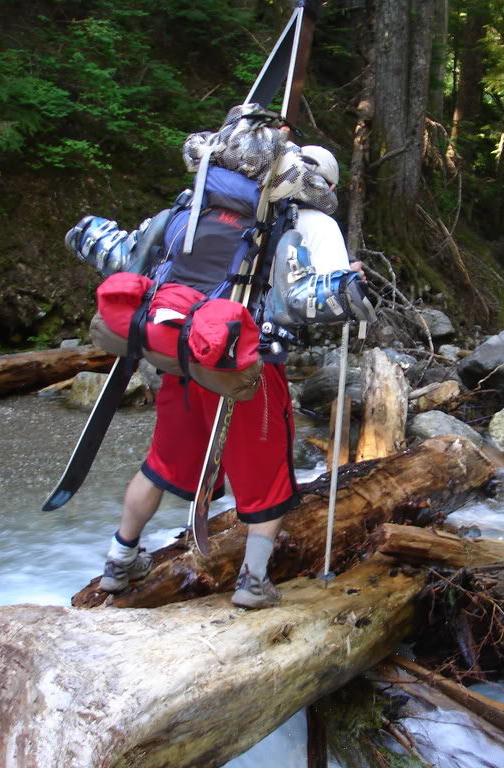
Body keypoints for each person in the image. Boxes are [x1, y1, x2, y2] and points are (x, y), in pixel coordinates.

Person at [98, 145, 359, 610]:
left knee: (160, 463)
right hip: (248, 368)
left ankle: (120, 560)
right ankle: (253, 582)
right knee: (268, 478)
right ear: (326, 187)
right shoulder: (317, 225)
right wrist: (351, 283)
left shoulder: (201, 206)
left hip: (184, 350)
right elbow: (323, 303)